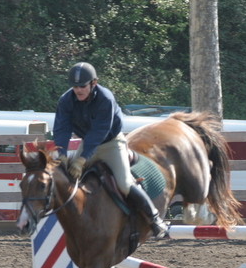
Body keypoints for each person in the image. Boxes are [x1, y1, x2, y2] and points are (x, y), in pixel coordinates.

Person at [52, 62, 168, 239]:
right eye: (75, 86)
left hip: (112, 143)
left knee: (124, 183)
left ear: (94, 83)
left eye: (82, 86)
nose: (78, 90)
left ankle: (154, 218)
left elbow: (99, 132)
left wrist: (82, 159)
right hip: (87, 142)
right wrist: (62, 155)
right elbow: (62, 129)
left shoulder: (105, 98)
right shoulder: (66, 100)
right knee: (71, 181)